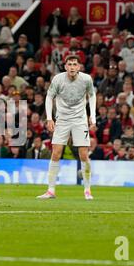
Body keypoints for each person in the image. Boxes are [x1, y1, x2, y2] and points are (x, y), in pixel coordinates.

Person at [37, 55, 96, 200]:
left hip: (79, 120)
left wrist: (92, 116)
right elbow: (49, 97)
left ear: (79, 67)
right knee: (56, 153)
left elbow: (92, 96)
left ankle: (87, 190)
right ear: (65, 67)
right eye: (69, 64)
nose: (72, 67)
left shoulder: (86, 79)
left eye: (75, 64)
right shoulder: (58, 79)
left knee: (83, 154)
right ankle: (51, 191)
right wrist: (49, 118)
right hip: (62, 119)